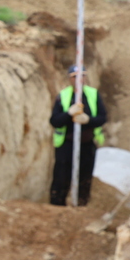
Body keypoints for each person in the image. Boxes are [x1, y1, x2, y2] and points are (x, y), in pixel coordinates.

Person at [49, 66, 109, 206]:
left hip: (87, 145)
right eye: (75, 76)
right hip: (66, 145)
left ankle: (81, 206)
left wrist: (88, 120)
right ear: (69, 78)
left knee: (85, 178)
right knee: (61, 178)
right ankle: (57, 206)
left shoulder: (93, 95)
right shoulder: (63, 96)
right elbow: (54, 121)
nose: (79, 79)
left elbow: (102, 118)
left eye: (82, 75)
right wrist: (68, 114)